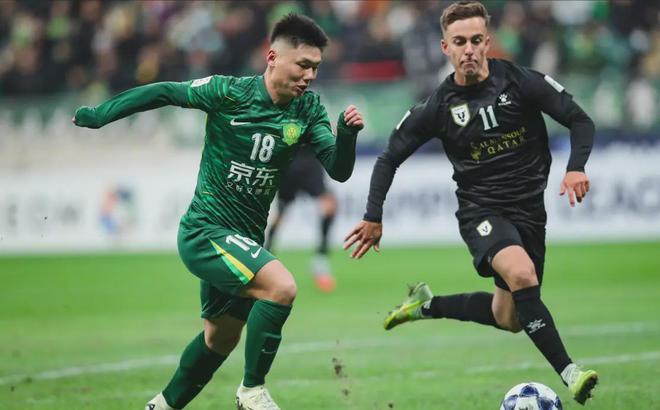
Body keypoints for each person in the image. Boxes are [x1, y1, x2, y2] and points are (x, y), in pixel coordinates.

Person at [73, 13, 363, 410]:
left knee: (220, 339)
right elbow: (165, 91)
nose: (309, 75)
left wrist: (346, 135)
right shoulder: (229, 92)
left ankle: (161, 406)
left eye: (315, 67)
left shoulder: (308, 109)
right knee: (282, 287)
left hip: (245, 239)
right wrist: (100, 115)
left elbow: (338, 170)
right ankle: (252, 392)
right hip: (205, 231)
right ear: (273, 57)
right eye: (303, 65)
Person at [343, 1, 598, 405]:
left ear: (487, 42)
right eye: (459, 42)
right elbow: (388, 157)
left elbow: (580, 119)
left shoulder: (521, 82)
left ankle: (426, 306)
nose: (469, 50)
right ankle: (571, 373)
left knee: (508, 317)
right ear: (445, 47)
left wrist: (576, 167)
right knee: (523, 274)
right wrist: (373, 216)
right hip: (482, 212)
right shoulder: (439, 106)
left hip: (530, 214)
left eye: (476, 40)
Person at [264, 145, 338, 292]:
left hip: (310, 162)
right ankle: (265, 258)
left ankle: (320, 260)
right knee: (280, 214)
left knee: (329, 206)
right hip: (289, 163)